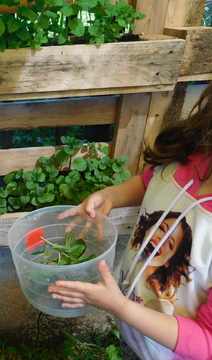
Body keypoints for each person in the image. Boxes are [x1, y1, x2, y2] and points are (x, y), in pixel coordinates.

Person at [48, 81, 212, 360]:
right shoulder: (190, 156)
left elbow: (207, 342)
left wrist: (120, 307)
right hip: (134, 333)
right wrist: (111, 195)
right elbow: (152, 182)